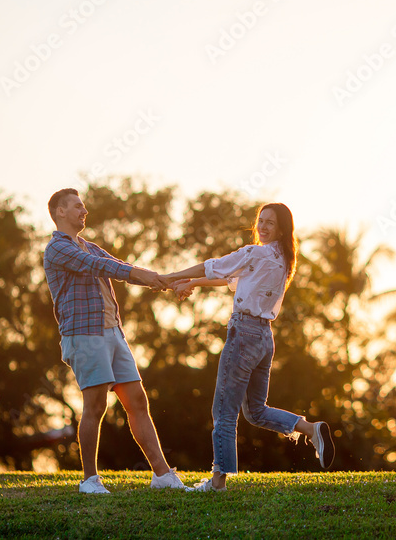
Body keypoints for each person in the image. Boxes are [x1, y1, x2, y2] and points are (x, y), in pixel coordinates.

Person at [161, 202, 335, 492]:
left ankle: (217, 483)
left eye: (270, 223)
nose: (262, 227)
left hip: (243, 333)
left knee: (224, 412)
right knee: (255, 411)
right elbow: (229, 278)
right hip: (264, 338)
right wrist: (193, 283)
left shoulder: (255, 252)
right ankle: (309, 429)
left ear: (281, 229)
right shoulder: (283, 259)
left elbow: (213, 266)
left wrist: (172, 277)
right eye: (261, 221)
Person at [43, 188, 189, 494]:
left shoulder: (91, 247)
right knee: (96, 405)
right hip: (85, 334)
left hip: (112, 332)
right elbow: (102, 267)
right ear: (60, 212)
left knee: (137, 402)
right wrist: (148, 276)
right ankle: (89, 480)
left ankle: (162, 476)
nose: (84, 211)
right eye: (78, 206)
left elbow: (123, 270)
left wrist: (166, 280)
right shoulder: (57, 249)